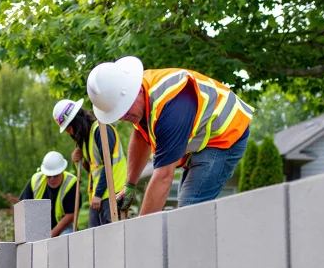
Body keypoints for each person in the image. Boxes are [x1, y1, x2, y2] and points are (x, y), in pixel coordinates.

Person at [86, 56, 252, 215]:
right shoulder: (138, 95)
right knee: (187, 210)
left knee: (190, 207)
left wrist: (139, 231)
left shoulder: (172, 106)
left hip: (225, 135)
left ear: (135, 91)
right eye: (118, 113)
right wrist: (130, 185)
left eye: (124, 109)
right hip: (203, 136)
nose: (122, 117)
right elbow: (141, 137)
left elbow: (164, 176)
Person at [52, 98, 126, 227]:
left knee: (111, 238)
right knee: (95, 238)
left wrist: (98, 194)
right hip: (100, 196)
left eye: (69, 128)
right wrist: (80, 161)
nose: (69, 133)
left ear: (77, 122)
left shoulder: (101, 131)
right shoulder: (86, 139)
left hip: (113, 192)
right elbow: (93, 170)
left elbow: (108, 166)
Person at [19, 151, 78, 237]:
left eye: (56, 175)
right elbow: (22, 207)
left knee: (67, 239)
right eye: (49, 176)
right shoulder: (36, 180)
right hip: (39, 229)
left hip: (63, 228)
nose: (52, 179)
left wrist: (49, 236)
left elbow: (71, 214)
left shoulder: (71, 183)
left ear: (62, 171)